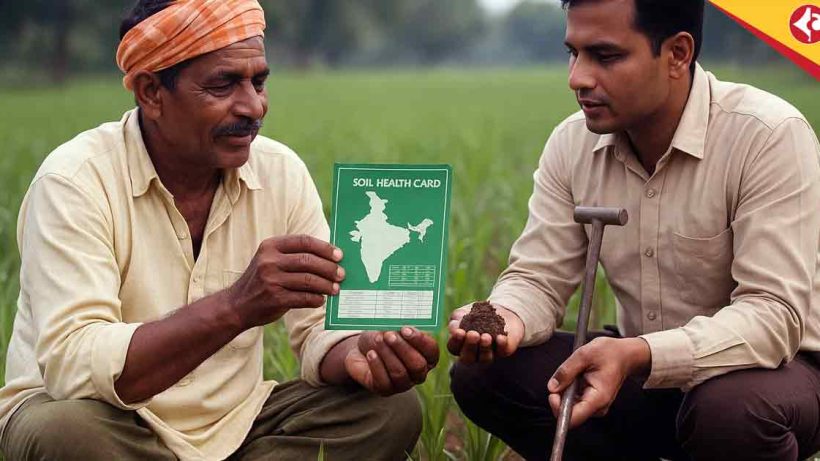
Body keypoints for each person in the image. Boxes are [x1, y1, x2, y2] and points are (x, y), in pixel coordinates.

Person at [0, 1, 439, 460]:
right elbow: (73, 366)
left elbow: (316, 330)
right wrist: (237, 305)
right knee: (64, 431)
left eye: (260, 81)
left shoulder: (280, 172)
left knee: (389, 410)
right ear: (152, 93)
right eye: (223, 84)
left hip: (237, 424)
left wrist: (359, 352)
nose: (254, 106)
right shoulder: (75, 181)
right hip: (111, 422)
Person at [448, 0, 820, 460]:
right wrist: (503, 319)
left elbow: (773, 317)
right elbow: (538, 278)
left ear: (678, 54)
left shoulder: (768, 135)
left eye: (605, 57)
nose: (577, 78)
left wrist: (640, 353)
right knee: (484, 375)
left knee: (729, 411)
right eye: (573, 53)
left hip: (771, 374)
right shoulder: (572, 143)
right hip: (638, 372)